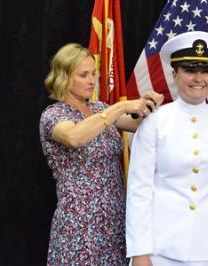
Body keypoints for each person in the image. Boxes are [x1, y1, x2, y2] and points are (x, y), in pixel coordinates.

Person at [125, 31, 208, 266]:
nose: (198, 78)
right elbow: (139, 190)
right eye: (190, 70)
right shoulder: (155, 121)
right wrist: (139, 251)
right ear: (175, 74)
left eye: (205, 71)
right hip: (161, 248)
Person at [39, 43, 164, 265]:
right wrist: (119, 107)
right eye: (83, 75)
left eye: (94, 74)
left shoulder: (99, 109)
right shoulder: (53, 115)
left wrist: (147, 106)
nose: (91, 80)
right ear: (64, 77)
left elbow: (137, 126)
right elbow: (75, 137)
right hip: (79, 223)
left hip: (114, 217)